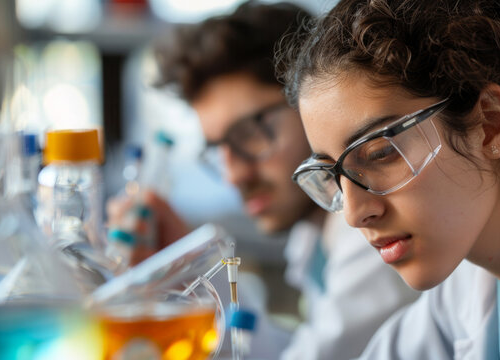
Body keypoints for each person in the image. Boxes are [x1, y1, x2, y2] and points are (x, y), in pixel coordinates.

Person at [279, 0, 500, 358]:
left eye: (381, 153)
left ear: (491, 125)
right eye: (333, 174)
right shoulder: (464, 293)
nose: (353, 213)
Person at [109, 1, 419, 359]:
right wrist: (189, 269)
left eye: (250, 133)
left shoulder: (368, 228)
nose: (234, 175)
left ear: (313, 103)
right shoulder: (315, 233)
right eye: (218, 150)